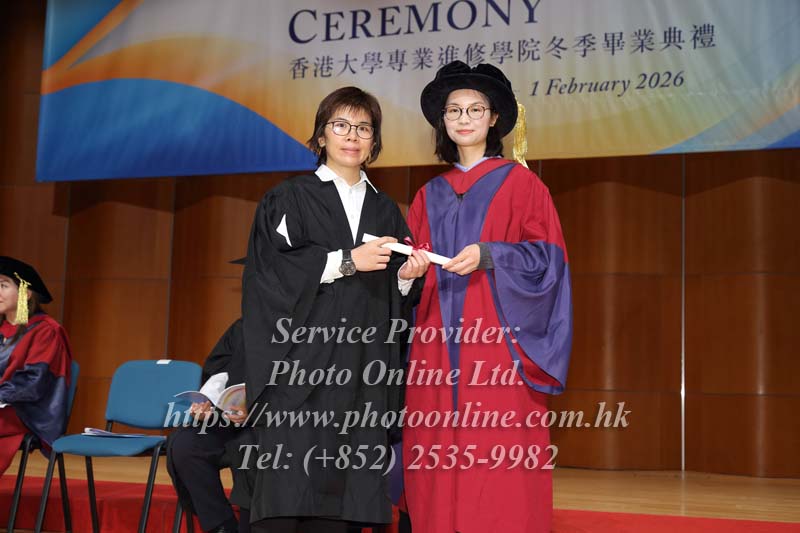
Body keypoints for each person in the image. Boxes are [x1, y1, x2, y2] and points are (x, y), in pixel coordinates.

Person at [242, 87, 427, 533]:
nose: (352, 136)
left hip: (361, 373)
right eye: (341, 125)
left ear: (374, 140)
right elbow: (271, 271)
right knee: (285, 496)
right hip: (300, 372)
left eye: (364, 128)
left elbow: (394, 301)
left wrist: (406, 279)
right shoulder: (289, 198)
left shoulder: (385, 210)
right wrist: (346, 261)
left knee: (342, 505)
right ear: (321, 136)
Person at [402, 61, 573, 533]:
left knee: (496, 455)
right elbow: (413, 270)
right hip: (436, 346)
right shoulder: (428, 195)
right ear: (442, 120)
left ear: (494, 117)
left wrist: (490, 254)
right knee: (435, 452)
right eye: (453, 110)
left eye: (475, 109)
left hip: (498, 346)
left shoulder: (523, 184)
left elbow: (549, 261)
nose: (464, 118)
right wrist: (408, 274)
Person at [167, 314, 255, 533]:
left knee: (248, 447)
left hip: (274, 423)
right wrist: (207, 404)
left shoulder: (305, 328)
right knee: (186, 445)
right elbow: (217, 369)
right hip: (227, 418)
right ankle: (222, 526)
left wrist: (255, 408)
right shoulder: (244, 325)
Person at [0, 256, 72, 475]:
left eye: (3, 285)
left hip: (30, 412)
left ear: (26, 293)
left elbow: (33, 383)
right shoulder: (2, 330)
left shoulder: (46, 331)